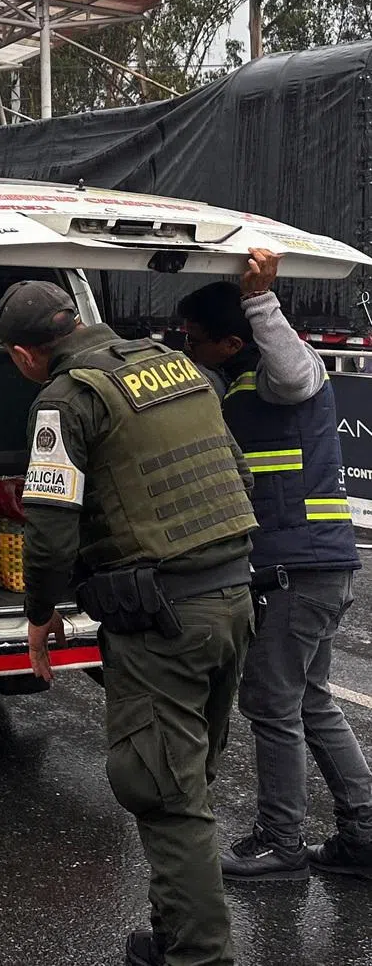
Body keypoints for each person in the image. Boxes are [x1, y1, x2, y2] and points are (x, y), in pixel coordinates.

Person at [0, 279, 257, 966]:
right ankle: (172, 930)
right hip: (233, 599)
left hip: (164, 619)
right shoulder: (180, 366)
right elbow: (239, 475)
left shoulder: (65, 400)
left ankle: (199, 955)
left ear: (25, 355)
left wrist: (40, 613)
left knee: (165, 793)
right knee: (185, 777)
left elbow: (49, 536)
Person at [180, 250, 372, 883]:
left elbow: (291, 373)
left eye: (195, 338)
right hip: (312, 567)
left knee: (271, 704)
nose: (188, 346)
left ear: (234, 339)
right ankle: (363, 835)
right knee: (311, 700)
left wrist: (263, 301)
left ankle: (281, 843)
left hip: (299, 570)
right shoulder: (240, 381)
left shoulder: (284, 373)